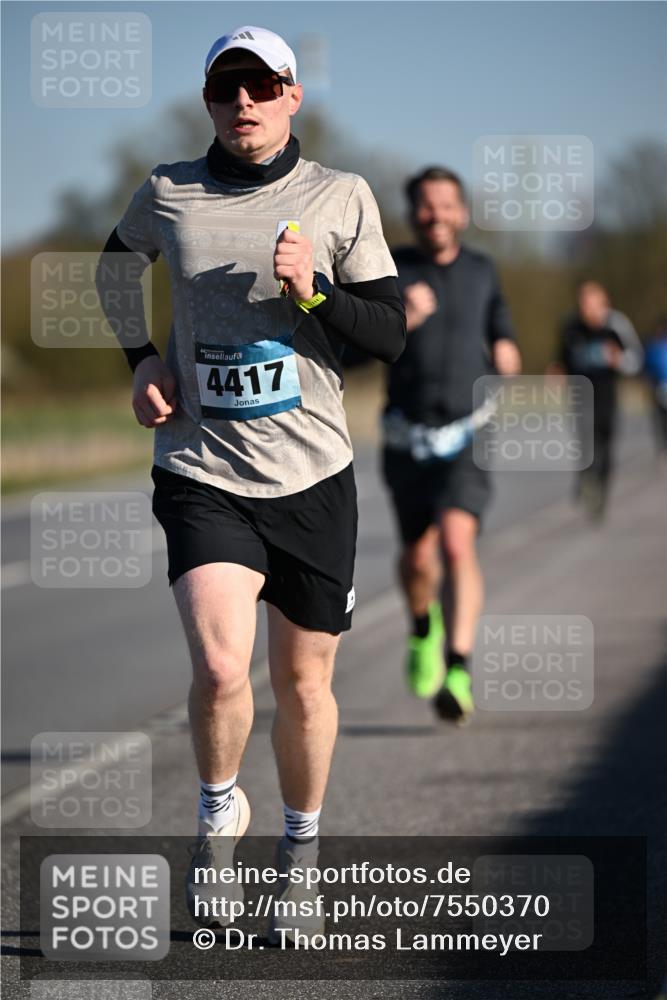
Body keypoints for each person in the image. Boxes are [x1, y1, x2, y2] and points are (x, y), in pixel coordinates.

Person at [97, 25, 405, 942]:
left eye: (261, 87)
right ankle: (214, 815)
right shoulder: (168, 192)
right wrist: (142, 358)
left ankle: (300, 858)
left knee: (303, 683)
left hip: (313, 473)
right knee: (222, 665)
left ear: (291, 96)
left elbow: (387, 334)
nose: (243, 104)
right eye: (227, 89)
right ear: (208, 102)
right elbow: (114, 269)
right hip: (202, 468)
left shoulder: (340, 197)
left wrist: (313, 290)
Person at [381, 167, 521, 723]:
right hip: (405, 436)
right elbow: (350, 351)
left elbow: (500, 323)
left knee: (457, 545)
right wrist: (404, 320)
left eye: (445, 205)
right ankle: (421, 629)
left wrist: (507, 347)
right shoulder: (389, 268)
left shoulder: (482, 269)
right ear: (413, 213)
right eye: (424, 206)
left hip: (468, 431)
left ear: (462, 213)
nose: (435, 215)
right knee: (418, 556)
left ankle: (458, 668)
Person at [556, 281, 643, 520]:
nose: (588, 310)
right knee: (585, 443)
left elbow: (635, 360)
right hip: (581, 394)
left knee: (605, 445)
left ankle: (601, 491)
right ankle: (585, 480)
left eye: (593, 304)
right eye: (584, 304)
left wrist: (619, 361)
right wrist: (557, 372)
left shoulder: (616, 325)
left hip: (607, 394)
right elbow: (562, 359)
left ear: (604, 304)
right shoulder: (571, 327)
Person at [643, 315, 667, 458]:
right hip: (659, 388)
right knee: (661, 419)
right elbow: (647, 367)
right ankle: (664, 447)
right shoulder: (653, 347)